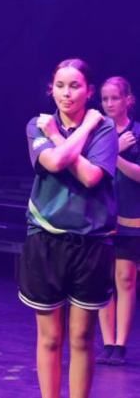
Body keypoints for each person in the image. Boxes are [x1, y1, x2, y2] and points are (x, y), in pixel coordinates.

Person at [19, 58, 117, 398]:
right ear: (51, 89)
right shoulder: (38, 125)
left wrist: (85, 128)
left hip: (90, 243)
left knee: (80, 338)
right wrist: (74, 131)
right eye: (60, 85)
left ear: (89, 91)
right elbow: (55, 162)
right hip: (46, 241)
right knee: (50, 338)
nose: (66, 93)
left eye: (75, 86)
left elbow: (91, 177)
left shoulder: (105, 129)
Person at [97, 76, 140, 366]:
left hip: (130, 216)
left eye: (114, 98)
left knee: (125, 278)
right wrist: (112, 146)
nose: (109, 104)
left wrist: (115, 156)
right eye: (104, 99)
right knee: (102, 281)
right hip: (99, 216)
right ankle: (107, 342)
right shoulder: (96, 133)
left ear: (128, 100)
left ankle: (120, 344)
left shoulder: (136, 133)